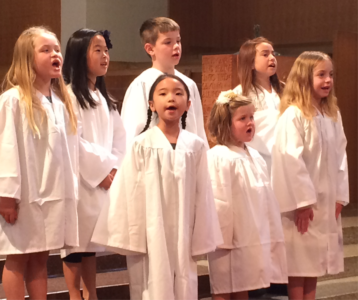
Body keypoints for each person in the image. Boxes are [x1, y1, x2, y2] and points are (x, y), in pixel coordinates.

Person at [97, 74, 222, 300]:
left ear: (188, 104)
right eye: (163, 94)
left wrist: (201, 232)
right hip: (150, 229)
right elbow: (129, 192)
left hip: (185, 227)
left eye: (178, 93)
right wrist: (134, 235)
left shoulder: (195, 146)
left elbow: (203, 193)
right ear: (152, 105)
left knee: (184, 279)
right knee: (152, 282)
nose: (170, 98)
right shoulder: (141, 145)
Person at [0, 26, 79, 300]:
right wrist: (7, 197)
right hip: (23, 193)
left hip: (51, 194)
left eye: (57, 49)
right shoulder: (12, 100)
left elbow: (66, 153)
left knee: (40, 257)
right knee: (18, 257)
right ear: (27, 58)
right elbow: (4, 149)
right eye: (45, 50)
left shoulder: (60, 103)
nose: (55, 54)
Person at [271, 51, 349, 300]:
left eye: (331, 75)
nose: (328, 80)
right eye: (321, 75)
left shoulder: (331, 114)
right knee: (299, 263)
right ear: (304, 78)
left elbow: (341, 156)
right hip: (302, 205)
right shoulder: (294, 115)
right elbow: (289, 158)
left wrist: (339, 196)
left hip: (325, 202)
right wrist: (303, 202)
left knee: (314, 261)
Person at [61, 28, 126, 300]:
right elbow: (73, 141)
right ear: (79, 55)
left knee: (91, 244)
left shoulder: (104, 98)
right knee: (75, 245)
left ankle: (92, 293)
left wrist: (113, 169)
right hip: (79, 178)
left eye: (106, 50)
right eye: (97, 50)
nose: (105, 56)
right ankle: (74, 295)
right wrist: (102, 171)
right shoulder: (68, 96)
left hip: (102, 179)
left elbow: (120, 140)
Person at [207, 91, 287, 300]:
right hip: (228, 238)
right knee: (225, 286)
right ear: (225, 123)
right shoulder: (219, 156)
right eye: (242, 118)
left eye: (251, 117)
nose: (250, 122)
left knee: (244, 283)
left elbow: (265, 198)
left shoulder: (254, 155)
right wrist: (222, 238)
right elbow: (218, 199)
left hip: (250, 234)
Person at [121, 17, 208, 148]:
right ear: (150, 49)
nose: (176, 46)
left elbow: (198, 130)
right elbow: (132, 133)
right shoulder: (142, 85)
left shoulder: (189, 84)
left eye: (178, 41)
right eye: (168, 42)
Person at [233, 37, 283, 172]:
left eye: (273, 53)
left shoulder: (285, 91)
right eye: (265, 54)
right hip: (255, 161)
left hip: (284, 158)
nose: (272, 58)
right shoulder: (239, 94)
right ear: (251, 63)